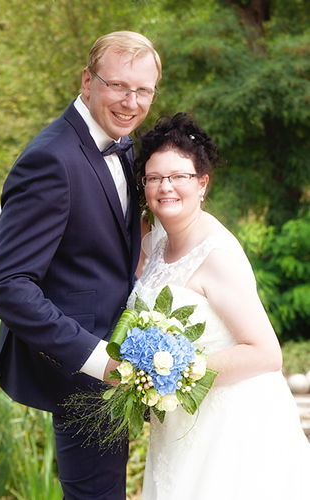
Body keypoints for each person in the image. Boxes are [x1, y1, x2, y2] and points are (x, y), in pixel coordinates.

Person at [0, 31, 161, 500]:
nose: (131, 101)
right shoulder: (50, 159)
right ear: (87, 81)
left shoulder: (122, 142)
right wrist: (100, 361)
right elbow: (5, 283)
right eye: (118, 85)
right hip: (83, 368)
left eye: (143, 90)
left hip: (122, 349)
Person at [127, 113, 310, 500]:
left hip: (232, 428)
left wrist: (174, 371)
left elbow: (266, 354)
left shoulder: (217, 254)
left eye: (179, 176)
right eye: (155, 178)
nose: (166, 187)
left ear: (202, 183)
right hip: (179, 423)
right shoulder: (155, 244)